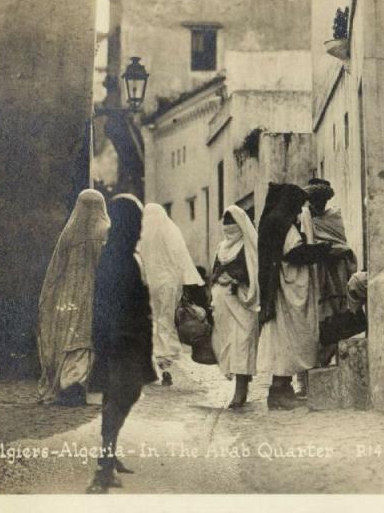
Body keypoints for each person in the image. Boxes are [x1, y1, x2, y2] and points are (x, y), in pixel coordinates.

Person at [87, 194, 157, 493]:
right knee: (124, 394)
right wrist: (114, 338)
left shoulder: (123, 252)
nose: (140, 227)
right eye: (137, 221)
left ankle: (109, 455)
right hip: (123, 339)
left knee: (115, 396)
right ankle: (104, 465)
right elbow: (108, 303)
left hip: (130, 338)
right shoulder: (117, 255)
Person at [257, 183, 331, 410]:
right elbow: (294, 254)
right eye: (298, 206)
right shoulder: (284, 225)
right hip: (287, 291)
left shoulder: (271, 222)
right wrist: (323, 250)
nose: (300, 212)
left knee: (282, 340)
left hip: (277, 289)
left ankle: (282, 391)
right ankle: (279, 392)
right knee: (288, 340)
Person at [37, 189, 110, 406]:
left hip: (67, 294)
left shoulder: (69, 232)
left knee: (69, 334)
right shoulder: (104, 230)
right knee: (88, 334)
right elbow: (107, 266)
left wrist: (51, 293)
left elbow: (56, 268)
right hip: (95, 292)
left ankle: (67, 382)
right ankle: (81, 384)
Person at [137, 203, 205, 386]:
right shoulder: (170, 230)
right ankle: (165, 364)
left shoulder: (141, 233)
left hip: (147, 284)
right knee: (166, 321)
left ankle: (150, 363)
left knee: (150, 322)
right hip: (168, 284)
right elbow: (180, 256)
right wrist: (186, 282)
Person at [301, 178, 357, 366]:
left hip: (337, 272)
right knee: (317, 319)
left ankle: (334, 363)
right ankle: (310, 369)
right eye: (314, 200)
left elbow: (342, 243)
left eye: (322, 200)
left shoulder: (334, 216)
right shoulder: (304, 219)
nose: (318, 204)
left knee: (339, 317)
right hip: (317, 272)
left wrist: (333, 249)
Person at [211, 205, 260, 409]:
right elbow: (214, 271)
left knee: (243, 341)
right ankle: (242, 381)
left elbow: (253, 273)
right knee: (229, 343)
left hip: (243, 301)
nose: (229, 229)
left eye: (233, 225)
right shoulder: (221, 248)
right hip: (223, 302)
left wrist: (236, 280)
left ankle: (240, 392)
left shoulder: (248, 247)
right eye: (226, 226)